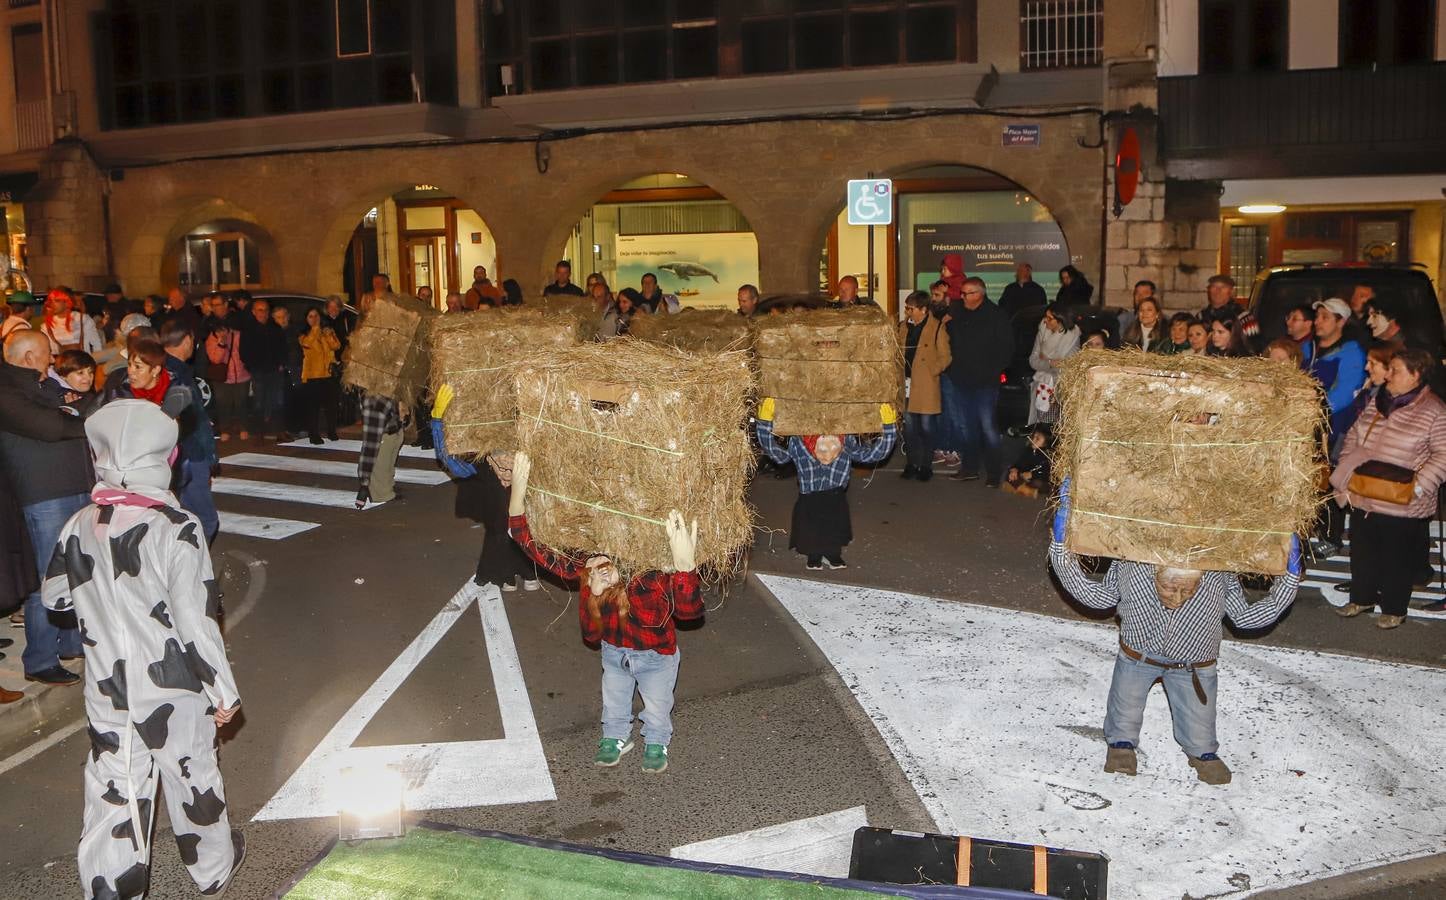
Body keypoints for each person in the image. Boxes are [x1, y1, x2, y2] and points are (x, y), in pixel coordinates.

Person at [42, 399, 245, 898]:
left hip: (107, 683)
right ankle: (211, 867)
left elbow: (55, 597)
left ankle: (111, 882)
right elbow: (197, 621)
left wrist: (102, 593)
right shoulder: (177, 528)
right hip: (171, 681)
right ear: (165, 460)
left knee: (115, 780)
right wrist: (223, 692)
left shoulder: (78, 524)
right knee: (191, 770)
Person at [1050, 478, 1300, 783]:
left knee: (1200, 726)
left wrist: (1289, 580)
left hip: (1193, 665)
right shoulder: (1135, 565)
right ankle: (1121, 745)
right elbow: (1097, 597)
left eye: (1187, 589)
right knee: (1124, 707)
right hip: (1137, 656)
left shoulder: (1216, 574)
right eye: (1169, 587)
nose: (1177, 597)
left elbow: (1245, 618)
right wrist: (1061, 549)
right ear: (1156, 572)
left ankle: (1201, 752)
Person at [506, 452, 701, 772]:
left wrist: (684, 568)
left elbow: (690, 612)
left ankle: (656, 740)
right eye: (593, 570)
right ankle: (616, 736)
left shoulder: (649, 575)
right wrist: (517, 498)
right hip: (614, 652)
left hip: (656, 657)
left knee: (657, 704)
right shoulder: (589, 566)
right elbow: (531, 545)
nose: (597, 573)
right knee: (614, 699)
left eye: (604, 568)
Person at [1330, 348, 1446, 629]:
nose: (1388, 375)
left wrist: (1418, 487)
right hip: (1364, 490)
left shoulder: (1434, 410)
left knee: (1397, 557)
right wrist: (1345, 478)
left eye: (1395, 370)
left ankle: (1395, 608)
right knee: (1362, 550)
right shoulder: (1377, 402)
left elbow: (1442, 455)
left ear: (1415, 375)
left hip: (1401, 498)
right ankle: (1362, 597)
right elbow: (1354, 439)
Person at [0, 330, 91, 685]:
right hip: (45, 495)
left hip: (73, 488)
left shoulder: (39, 385)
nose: (52, 362)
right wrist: (71, 412)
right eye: (47, 356)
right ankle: (39, 660)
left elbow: (74, 405)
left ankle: (71, 643)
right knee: (48, 579)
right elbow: (53, 426)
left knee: (77, 572)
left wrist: (70, 409)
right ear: (27, 358)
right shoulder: (8, 391)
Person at [755, 398, 897, 569]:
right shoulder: (799, 441)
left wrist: (889, 429)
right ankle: (813, 555)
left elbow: (872, 455)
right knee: (810, 528)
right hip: (809, 495)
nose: (828, 456)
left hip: (835, 494)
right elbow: (778, 455)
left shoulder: (846, 439)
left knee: (833, 526)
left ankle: (832, 553)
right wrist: (764, 425)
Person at [430, 385, 538, 592]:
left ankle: (526, 568)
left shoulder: (526, 453)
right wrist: (437, 421)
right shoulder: (482, 455)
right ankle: (504, 571)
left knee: (525, 521)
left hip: (525, 518)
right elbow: (450, 460)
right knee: (500, 520)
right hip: (496, 519)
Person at [944, 277, 1013, 486]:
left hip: (985, 382)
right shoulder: (958, 313)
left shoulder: (996, 316)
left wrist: (992, 371)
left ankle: (993, 473)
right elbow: (950, 342)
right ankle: (970, 468)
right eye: (962, 293)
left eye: (967, 293)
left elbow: (1007, 348)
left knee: (987, 427)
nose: (962, 297)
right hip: (961, 379)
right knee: (967, 427)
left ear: (979, 294)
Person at [898, 290, 952, 481]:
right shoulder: (903, 327)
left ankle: (926, 465)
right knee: (909, 428)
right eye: (907, 308)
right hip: (906, 385)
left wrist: (932, 371)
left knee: (927, 428)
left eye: (911, 308)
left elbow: (946, 357)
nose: (908, 312)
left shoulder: (937, 327)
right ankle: (911, 464)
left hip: (926, 385)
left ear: (923, 309)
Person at [239, 298, 290, 440]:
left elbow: (283, 348)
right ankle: (259, 433)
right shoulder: (248, 330)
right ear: (254, 312)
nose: (263, 313)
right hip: (258, 371)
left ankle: (280, 431)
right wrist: (252, 366)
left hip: (275, 370)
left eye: (266, 310)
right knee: (259, 402)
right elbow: (244, 352)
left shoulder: (275, 328)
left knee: (278, 401)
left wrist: (281, 363)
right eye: (260, 310)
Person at [1026, 302, 1081, 427]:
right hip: (1040, 387)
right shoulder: (1042, 330)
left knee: (1056, 429)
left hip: (1060, 390)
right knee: (1039, 428)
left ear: (1060, 320)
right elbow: (1033, 361)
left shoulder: (1072, 336)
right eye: (1045, 317)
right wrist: (1050, 362)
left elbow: (1068, 365)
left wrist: (1044, 360)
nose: (1046, 321)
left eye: (1050, 319)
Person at [298, 308, 341, 445]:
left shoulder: (326, 331)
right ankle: (313, 434)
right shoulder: (303, 335)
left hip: (328, 374)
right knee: (313, 407)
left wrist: (328, 334)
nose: (314, 319)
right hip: (312, 375)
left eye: (316, 316)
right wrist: (316, 330)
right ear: (306, 319)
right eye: (310, 316)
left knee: (331, 405)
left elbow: (336, 345)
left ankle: (331, 431)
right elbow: (307, 344)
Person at [204, 315, 250, 441]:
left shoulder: (238, 335)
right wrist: (221, 344)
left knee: (241, 403)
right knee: (223, 404)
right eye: (218, 330)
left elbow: (246, 353)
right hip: (222, 377)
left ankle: (243, 428)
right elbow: (215, 359)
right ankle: (225, 429)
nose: (221, 332)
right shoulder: (212, 339)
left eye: (223, 329)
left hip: (241, 375)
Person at [357, 393, 403, 508]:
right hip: (384, 434)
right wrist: (364, 483)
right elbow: (370, 442)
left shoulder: (385, 394)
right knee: (380, 461)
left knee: (387, 462)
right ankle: (380, 492)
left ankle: (386, 486)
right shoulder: (374, 401)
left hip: (392, 430)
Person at [39, 288, 103, 354]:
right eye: (50, 301)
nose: (52, 304)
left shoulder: (83, 319)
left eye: (57, 300)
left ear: (67, 302)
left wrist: (95, 362)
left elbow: (96, 345)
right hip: (59, 362)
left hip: (82, 361)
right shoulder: (46, 326)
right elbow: (48, 350)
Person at [1002, 424, 1051, 498]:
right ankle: (1024, 490)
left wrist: (1032, 474)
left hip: (1037, 478)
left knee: (1039, 483)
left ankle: (1019, 489)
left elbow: (1046, 472)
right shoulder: (1028, 450)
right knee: (1009, 474)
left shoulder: (1046, 456)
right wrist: (1014, 469)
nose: (1033, 440)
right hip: (1025, 477)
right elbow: (1019, 463)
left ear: (1045, 444)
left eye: (1037, 439)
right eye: (1033, 437)